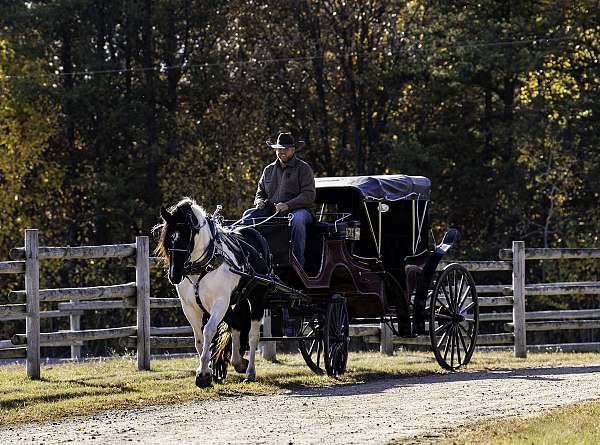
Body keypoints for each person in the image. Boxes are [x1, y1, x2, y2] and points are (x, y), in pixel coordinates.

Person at [241, 132, 315, 266]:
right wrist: (259, 201)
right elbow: (260, 192)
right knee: (247, 217)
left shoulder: (303, 168)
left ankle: (299, 263)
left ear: (293, 150)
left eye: (286, 149)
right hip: (271, 211)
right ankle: (252, 261)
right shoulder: (268, 170)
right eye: (279, 149)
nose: (282, 152)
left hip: (300, 211)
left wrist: (288, 205)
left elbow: (308, 196)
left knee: (296, 220)